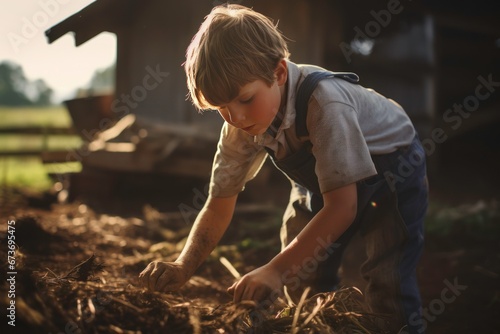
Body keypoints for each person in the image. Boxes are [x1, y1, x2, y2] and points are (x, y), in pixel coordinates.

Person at [139, 4, 428, 333]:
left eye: (246, 100)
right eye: (221, 108)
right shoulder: (239, 125)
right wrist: (183, 265)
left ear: (278, 73)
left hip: (392, 170)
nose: (237, 118)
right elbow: (218, 205)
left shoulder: (324, 103)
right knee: (302, 279)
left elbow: (343, 207)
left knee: (387, 282)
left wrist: (274, 270)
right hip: (325, 181)